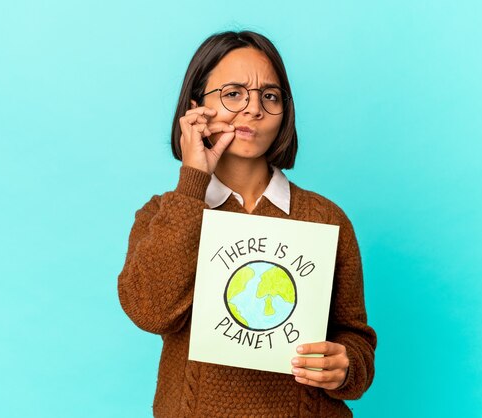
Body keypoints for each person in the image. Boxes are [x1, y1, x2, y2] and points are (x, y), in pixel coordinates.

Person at [117, 30, 376, 417]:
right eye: (234, 93)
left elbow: (353, 336)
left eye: (268, 96)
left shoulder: (325, 219)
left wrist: (346, 366)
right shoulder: (163, 215)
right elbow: (151, 312)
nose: (253, 109)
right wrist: (192, 184)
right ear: (195, 108)